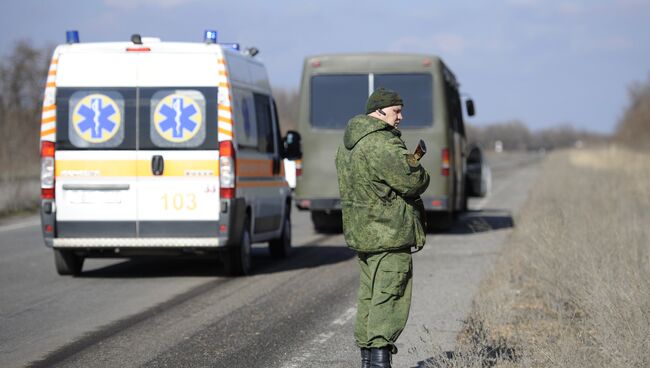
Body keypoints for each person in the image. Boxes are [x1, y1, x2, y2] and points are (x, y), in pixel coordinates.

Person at [335, 87, 430, 368]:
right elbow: (413, 181)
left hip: (364, 233)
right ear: (378, 112)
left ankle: (368, 360)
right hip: (389, 233)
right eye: (396, 111)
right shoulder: (382, 143)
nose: (401, 116)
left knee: (370, 295)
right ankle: (379, 362)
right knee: (389, 297)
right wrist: (418, 170)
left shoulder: (349, 144)